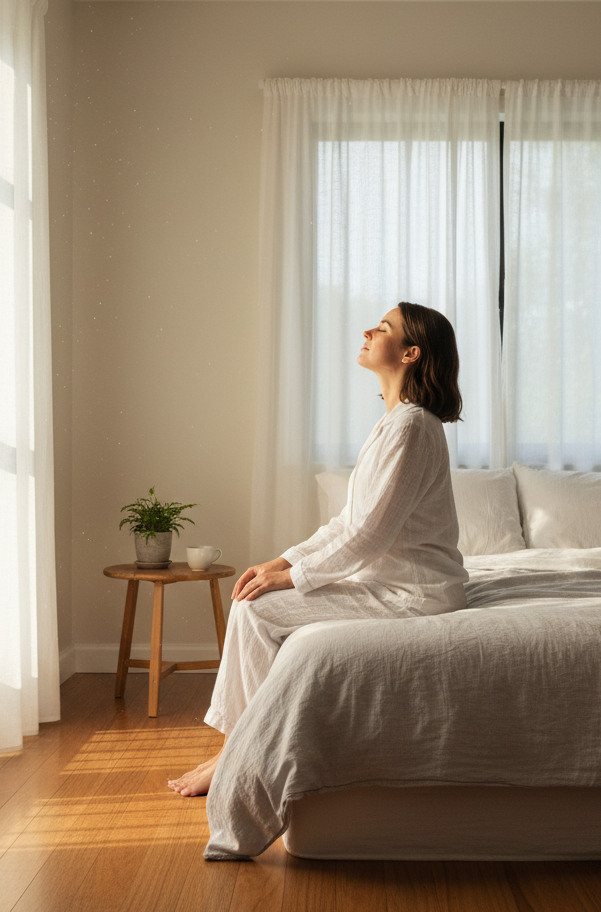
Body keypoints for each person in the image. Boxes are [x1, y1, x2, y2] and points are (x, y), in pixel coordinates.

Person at [167, 301, 468, 797]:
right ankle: (240, 747)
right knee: (255, 596)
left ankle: (238, 754)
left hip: (413, 594)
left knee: (258, 609)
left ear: (411, 353)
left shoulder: (412, 427)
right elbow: (348, 522)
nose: (369, 330)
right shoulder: (395, 423)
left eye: (385, 327)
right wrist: (282, 560)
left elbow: (368, 536)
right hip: (392, 584)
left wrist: (291, 579)